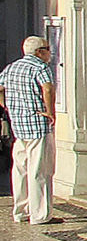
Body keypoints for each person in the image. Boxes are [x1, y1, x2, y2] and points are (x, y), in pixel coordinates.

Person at [3, 37, 59, 226]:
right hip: (37, 123)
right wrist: (51, 112)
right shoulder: (40, 68)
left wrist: (7, 106)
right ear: (39, 52)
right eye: (47, 49)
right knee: (39, 170)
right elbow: (48, 89)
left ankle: (21, 211)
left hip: (18, 124)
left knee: (21, 169)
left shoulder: (13, 67)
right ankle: (40, 215)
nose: (49, 52)